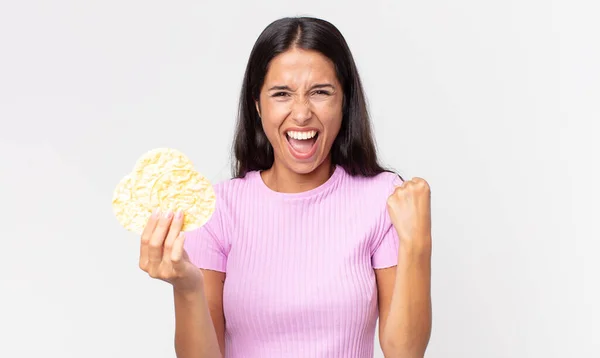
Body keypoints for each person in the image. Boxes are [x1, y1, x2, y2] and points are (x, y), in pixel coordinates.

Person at [138, 16, 432, 358]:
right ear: (258, 104)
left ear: (345, 101)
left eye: (320, 92)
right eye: (282, 94)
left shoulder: (383, 200)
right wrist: (187, 288)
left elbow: (405, 353)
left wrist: (417, 244)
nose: (302, 113)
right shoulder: (218, 210)